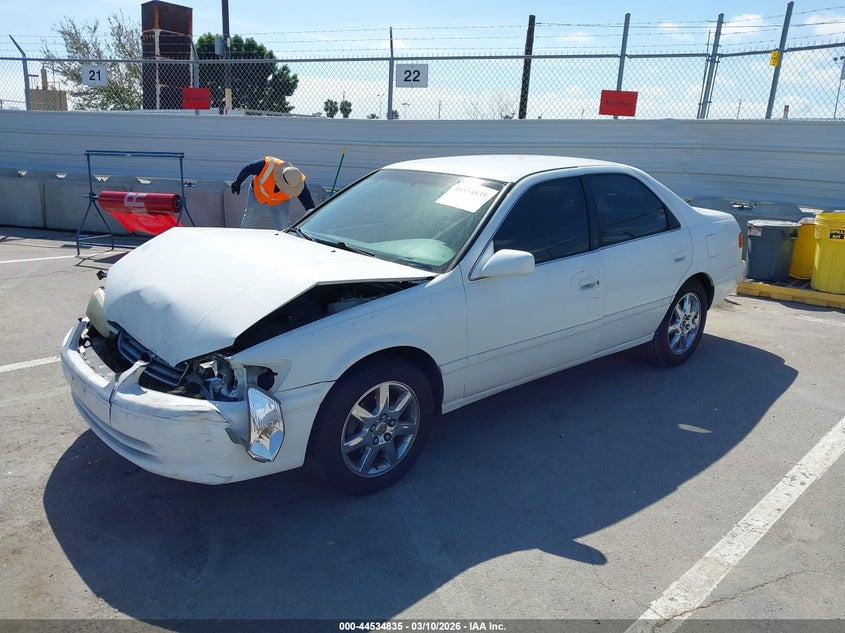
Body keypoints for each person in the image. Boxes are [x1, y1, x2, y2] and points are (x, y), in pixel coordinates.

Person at [231, 156, 316, 229]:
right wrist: (237, 183)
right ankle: (244, 238)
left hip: (280, 201)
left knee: (283, 223)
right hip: (258, 194)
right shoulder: (267, 165)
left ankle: (282, 243)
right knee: (250, 216)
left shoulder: (297, 181)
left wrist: (314, 217)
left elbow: (308, 202)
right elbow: (248, 168)